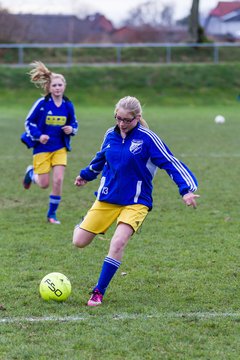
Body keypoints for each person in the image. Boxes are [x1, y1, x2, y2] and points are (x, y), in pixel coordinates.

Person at [73, 96, 199, 306]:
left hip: (136, 201)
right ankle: (85, 222)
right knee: (79, 241)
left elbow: (170, 162)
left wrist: (185, 190)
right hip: (108, 197)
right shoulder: (110, 134)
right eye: (118, 118)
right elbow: (100, 158)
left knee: (118, 242)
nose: (121, 124)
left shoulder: (147, 139)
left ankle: (98, 291)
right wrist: (86, 175)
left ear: (137, 118)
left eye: (127, 120)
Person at [22, 61, 78, 224]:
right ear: (49, 87)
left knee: (59, 180)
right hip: (42, 148)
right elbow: (28, 122)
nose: (57, 88)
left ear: (64, 86)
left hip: (60, 148)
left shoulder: (68, 105)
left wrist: (71, 129)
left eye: (60, 85)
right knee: (44, 184)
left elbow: (75, 123)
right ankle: (31, 173)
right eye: (54, 85)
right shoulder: (42, 104)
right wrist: (39, 136)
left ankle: (52, 215)